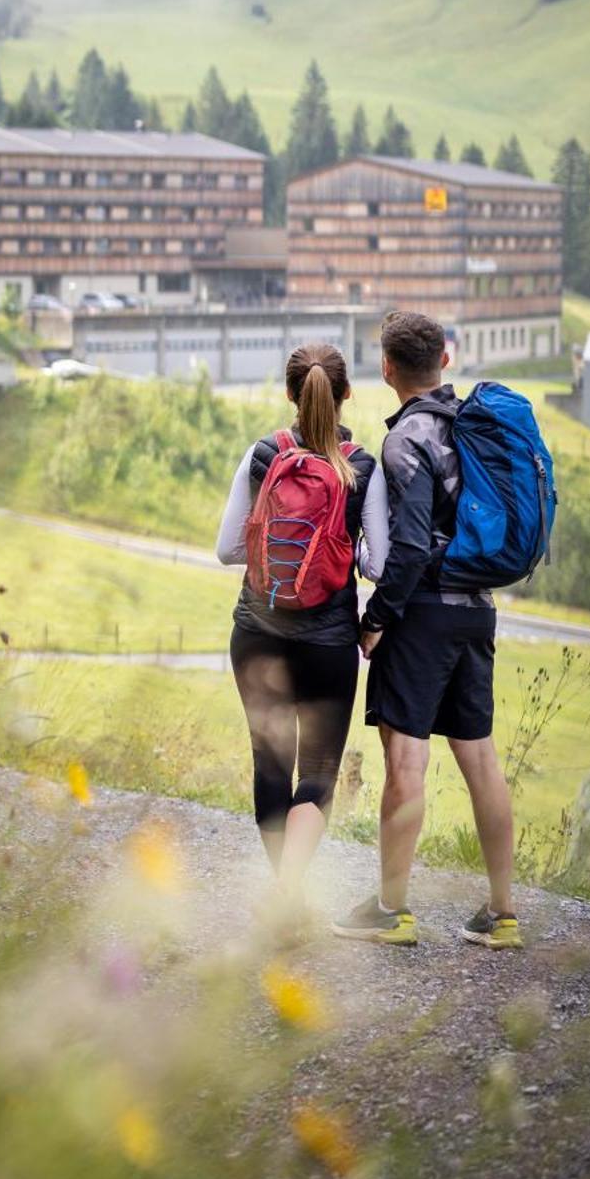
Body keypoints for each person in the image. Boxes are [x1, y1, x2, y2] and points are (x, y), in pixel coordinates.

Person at [332, 310, 522, 950]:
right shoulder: (475, 428)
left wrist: (375, 619)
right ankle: (502, 914)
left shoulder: (406, 439)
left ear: (387, 368)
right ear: (445, 357)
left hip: (424, 615)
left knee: (406, 759)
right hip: (478, 610)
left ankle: (390, 909)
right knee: (481, 759)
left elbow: (410, 547)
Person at [216, 344, 388, 907]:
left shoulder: (264, 454)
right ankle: (291, 890)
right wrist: (341, 552)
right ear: (345, 395)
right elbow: (378, 565)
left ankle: (282, 895)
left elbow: (226, 549)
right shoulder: (361, 466)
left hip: (256, 633)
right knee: (317, 771)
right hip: (327, 640)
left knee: (270, 763)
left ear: (291, 393)